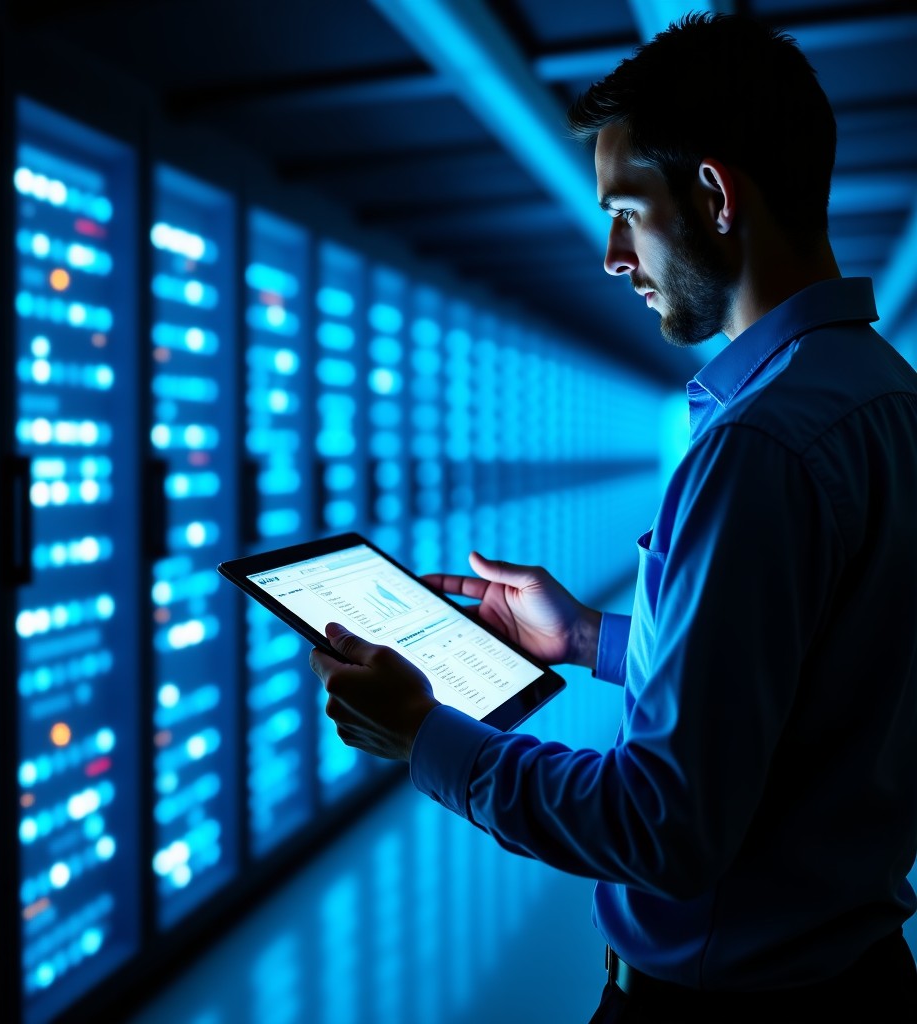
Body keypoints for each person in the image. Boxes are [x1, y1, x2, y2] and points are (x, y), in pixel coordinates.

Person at [309, 13, 917, 1023]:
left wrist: (423, 736)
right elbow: (807, 673)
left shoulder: (756, 450)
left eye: (626, 211)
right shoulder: (883, 395)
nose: (609, 255)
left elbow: (663, 827)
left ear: (714, 197)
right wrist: (588, 637)